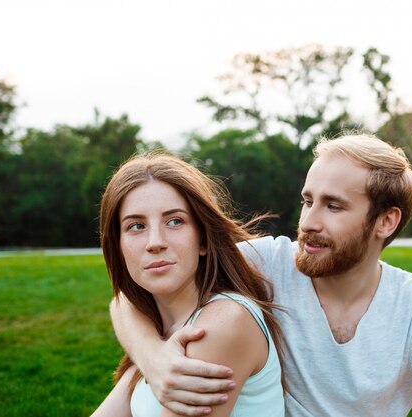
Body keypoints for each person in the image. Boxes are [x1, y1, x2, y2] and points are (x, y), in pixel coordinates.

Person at [110, 134, 412, 416]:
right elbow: (138, 289)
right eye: (307, 201)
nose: (308, 222)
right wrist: (154, 359)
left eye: (333, 206)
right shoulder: (267, 262)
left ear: (386, 221)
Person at [91, 152, 285, 417]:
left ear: (203, 240)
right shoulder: (158, 339)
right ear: (119, 246)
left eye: (175, 221)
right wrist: (151, 356)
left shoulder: (224, 321)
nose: (154, 242)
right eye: (136, 226)